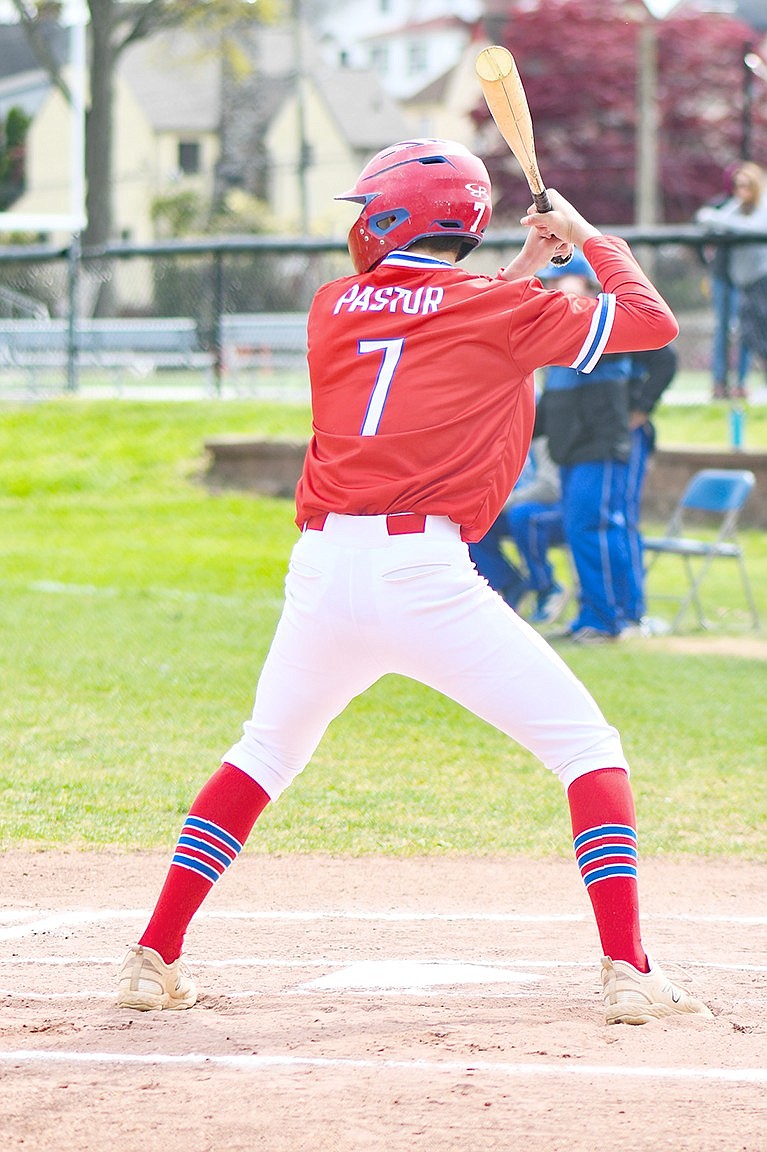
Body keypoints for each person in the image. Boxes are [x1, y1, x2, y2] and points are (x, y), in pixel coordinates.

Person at [116, 139, 710, 1026]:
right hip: (423, 576)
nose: (360, 223)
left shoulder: (331, 307)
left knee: (263, 754)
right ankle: (629, 970)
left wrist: (523, 267)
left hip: (322, 574)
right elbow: (648, 321)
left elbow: (431, 329)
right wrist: (582, 237)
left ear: (404, 217)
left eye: (371, 208)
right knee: (589, 752)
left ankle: (151, 957)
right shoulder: (502, 309)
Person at [536, 253, 637, 644]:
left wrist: (640, 406)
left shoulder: (606, 319)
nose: (549, 288)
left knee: (594, 528)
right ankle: (591, 615)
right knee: (579, 529)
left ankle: (608, 618)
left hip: (599, 446)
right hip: (569, 448)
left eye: (559, 281)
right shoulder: (556, 328)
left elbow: (664, 356)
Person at [469, 422, 568, 622]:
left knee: (523, 516)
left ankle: (546, 587)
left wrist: (502, 502)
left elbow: (551, 487)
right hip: (514, 508)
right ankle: (509, 584)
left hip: (554, 509)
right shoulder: (496, 434)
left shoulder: (541, 432)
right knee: (470, 521)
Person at [697, 161, 767, 390]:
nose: (741, 191)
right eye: (738, 186)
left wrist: (715, 217)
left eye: (746, 186)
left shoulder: (762, 206)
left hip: (761, 280)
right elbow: (706, 220)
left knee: (756, 335)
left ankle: (742, 382)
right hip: (739, 280)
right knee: (741, 332)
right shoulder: (734, 207)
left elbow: (754, 227)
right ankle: (721, 383)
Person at [623, 345, 677, 629]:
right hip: (599, 432)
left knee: (624, 519)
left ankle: (632, 609)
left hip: (628, 433)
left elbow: (666, 360)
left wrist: (643, 406)